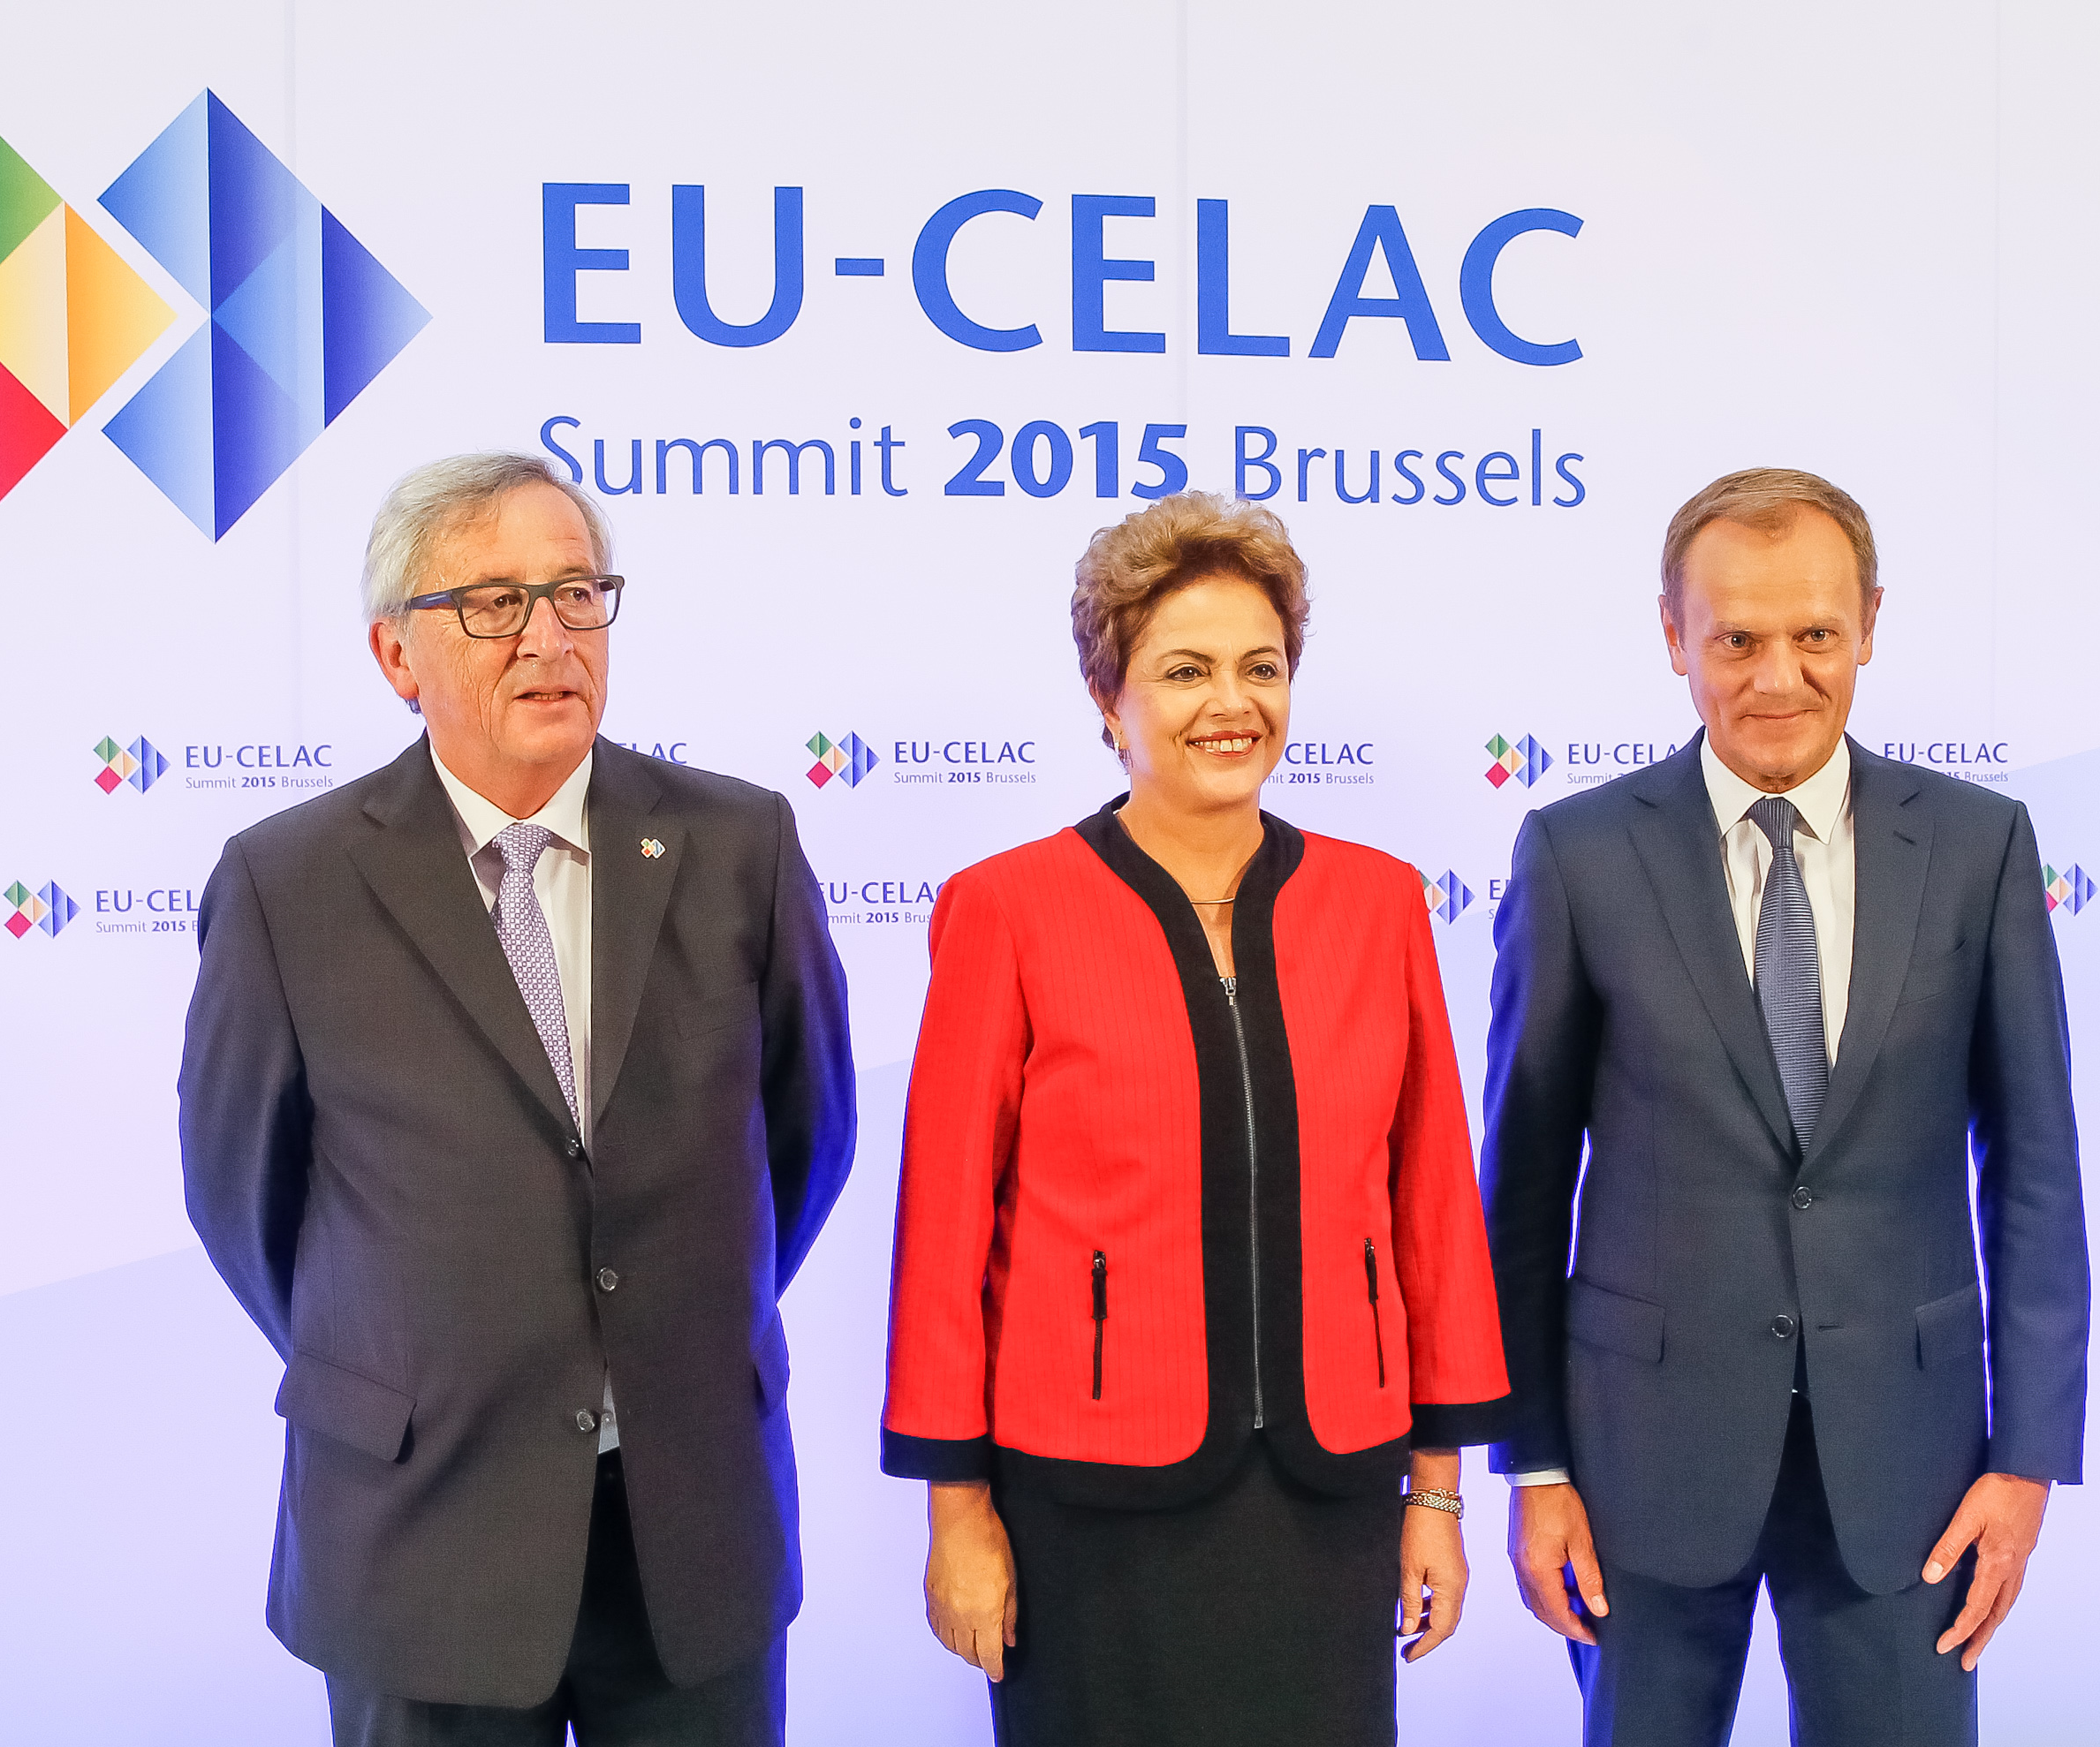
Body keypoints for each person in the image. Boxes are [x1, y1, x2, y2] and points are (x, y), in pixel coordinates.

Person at [179, 452, 856, 1746]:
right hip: (422, 1527)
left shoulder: (740, 846)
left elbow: (802, 1140)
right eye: (494, 603)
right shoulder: (288, 885)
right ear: (396, 654)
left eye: (577, 593)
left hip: (688, 1523)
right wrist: (412, 1360)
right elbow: (243, 1196)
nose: (549, 637)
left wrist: (661, 1328)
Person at [881, 493, 1511, 1746]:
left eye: (1259, 667)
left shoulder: (1380, 903)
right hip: (1086, 1501)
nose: (1231, 702)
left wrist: (1436, 1492)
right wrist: (957, 1512)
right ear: (1106, 697)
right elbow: (944, 1235)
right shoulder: (1007, 910)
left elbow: (1432, 1204)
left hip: (1331, 1488)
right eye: (1184, 670)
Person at [1482, 467, 2091, 1743]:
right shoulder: (1577, 854)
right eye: (1737, 640)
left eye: (1815, 634)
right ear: (1673, 637)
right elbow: (1522, 1193)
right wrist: (1533, 1464)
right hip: (1640, 1460)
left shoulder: (1978, 846)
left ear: (1868, 625)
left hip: (1912, 1468)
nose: (1778, 678)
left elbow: (2035, 1167)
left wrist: (2027, 1457)